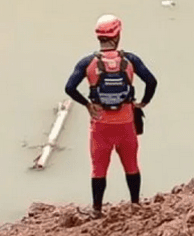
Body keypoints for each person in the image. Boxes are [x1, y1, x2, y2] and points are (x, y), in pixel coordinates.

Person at [65, 14, 158, 217]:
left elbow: (69, 88)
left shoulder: (88, 62)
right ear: (117, 35)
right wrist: (143, 103)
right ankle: (135, 204)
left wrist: (88, 105)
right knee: (131, 164)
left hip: (101, 125)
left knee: (99, 168)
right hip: (126, 123)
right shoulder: (130, 60)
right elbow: (152, 82)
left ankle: (97, 210)